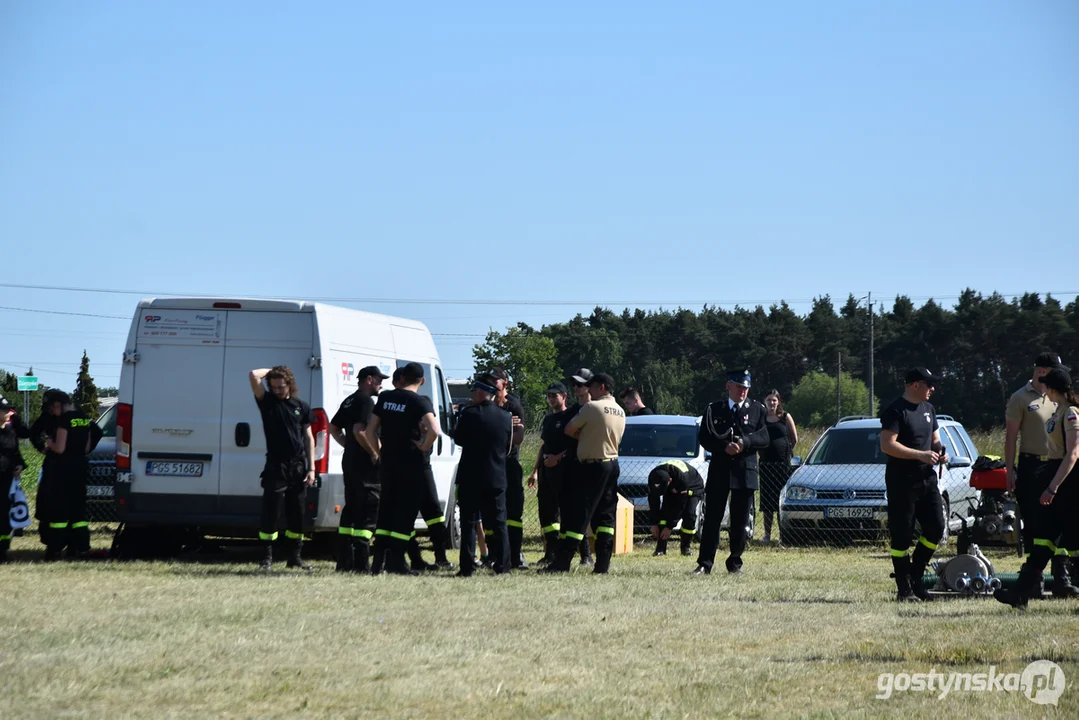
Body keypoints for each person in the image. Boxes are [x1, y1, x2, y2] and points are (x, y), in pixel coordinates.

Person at [996, 367, 1079, 608]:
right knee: (1043, 540)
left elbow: (1073, 454)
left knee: (1072, 543)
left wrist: (1052, 488)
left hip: (1069, 485)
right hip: (1057, 479)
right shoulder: (1059, 410)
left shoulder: (1071, 413)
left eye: (1047, 385)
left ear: (1054, 389)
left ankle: (1021, 593)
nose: (1044, 388)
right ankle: (1020, 594)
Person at [543, 372, 626, 574]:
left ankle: (562, 563)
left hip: (592, 466)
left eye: (593, 387)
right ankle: (602, 565)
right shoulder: (620, 411)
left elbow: (569, 429)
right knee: (605, 517)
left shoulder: (592, 407)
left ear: (603, 388)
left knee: (578, 514)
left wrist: (587, 435)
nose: (589, 390)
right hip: (612, 463)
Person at [363, 362, 440, 575]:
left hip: (388, 464)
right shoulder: (419, 401)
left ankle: (378, 563)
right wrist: (424, 445)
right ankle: (396, 563)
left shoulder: (386, 398)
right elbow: (434, 430)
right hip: (411, 465)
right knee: (404, 514)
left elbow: (370, 431)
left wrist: (378, 453)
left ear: (403, 378)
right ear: (422, 381)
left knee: (385, 512)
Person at [879, 367, 948, 602]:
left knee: (936, 527)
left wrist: (940, 452)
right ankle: (904, 589)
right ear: (914, 385)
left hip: (927, 478)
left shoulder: (929, 409)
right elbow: (887, 445)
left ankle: (915, 578)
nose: (933, 389)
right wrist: (920, 455)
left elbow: (935, 440)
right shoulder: (895, 410)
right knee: (902, 535)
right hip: (902, 480)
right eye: (929, 384)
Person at [694, 370, 769, 575]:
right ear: (729, 386)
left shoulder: (757, 410)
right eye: (739, 387)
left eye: (746, 388)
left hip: (745, 471)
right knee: (712, 519)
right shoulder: (714, 409)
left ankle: (735, 563)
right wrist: (722, 447)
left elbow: (764, 438)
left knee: (740, 521)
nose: (743, 391)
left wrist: (745, 443)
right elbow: (705, 437)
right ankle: (705, 563)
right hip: (720, 470)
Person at [249, 366, 316, 572]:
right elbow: (253, 374)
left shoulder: (301, 407)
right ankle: (267, 558)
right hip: (276, 465)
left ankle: (295, 557)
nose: (277, 390)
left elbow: (309, 437)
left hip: (298, 466)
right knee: (271, 511)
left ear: (289, 384)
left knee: (297, 512)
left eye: (281, 386)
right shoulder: (266, 402)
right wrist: (274, 371)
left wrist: (311, 468)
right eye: (274, 386)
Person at [329, 365, 387, 572]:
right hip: (365, 466)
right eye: (379, 380)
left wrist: (349, 446)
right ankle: (362, 565)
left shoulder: (349, 400)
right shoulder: (366, 401)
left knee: (351, 510)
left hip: (350, 462)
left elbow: (333, 428)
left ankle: (344, 562)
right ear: (369, 380)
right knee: (369, 509)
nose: (382, 384)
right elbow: (360, 431)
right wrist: (373, 453)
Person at [453, 375, 513, 575]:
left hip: (471, 476)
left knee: (468, 523)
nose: (472, 394)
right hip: (496, 476)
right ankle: (504, 566)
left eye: (474, 391)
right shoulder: (506, 416)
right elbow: (508, 446)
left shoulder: (469, 414)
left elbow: (459, 438)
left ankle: (467, 567)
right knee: (499, 523)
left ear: (481, 392)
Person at [45, 396, 104, 559]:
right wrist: (84, 449)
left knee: (60, 510)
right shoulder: (84, 418)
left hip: (64, 468)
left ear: (60, 405)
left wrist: (49, 442)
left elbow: (60, 448)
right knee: (79, 511)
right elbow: (94, 436)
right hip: (81, 466)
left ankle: (56, 548)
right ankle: (82, 547)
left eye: (54, 408)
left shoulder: (65, 420)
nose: (53, 412)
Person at [489, 367, 528, 569]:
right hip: (490, 464)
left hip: (509, 465)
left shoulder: (513, 407)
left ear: (505, 384)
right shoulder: (484, 405)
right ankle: (493, 554)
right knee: (490, 514)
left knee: (513, 513)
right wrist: (505, 426)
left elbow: (519, 438)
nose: (491, 384)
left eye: (495, 381)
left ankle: (516, 554)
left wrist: (500, 427)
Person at [528, 382, 570, 565]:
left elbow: (574, 446)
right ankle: (550, 553)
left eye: (555, 395)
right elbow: (543, 446)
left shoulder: (570, 417)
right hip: (546, 472)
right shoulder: (548, 420)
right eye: (549, 396)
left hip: (564, 471)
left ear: (564, 396)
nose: (551, 399)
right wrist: (535, 471)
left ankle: (584, 555)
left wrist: (558, 458)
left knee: (568, 513)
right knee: (547, 514)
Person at [32, 390, 71, 559]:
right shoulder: (46, 418)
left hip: (67, 465)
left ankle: (69, 544)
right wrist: (43, 447)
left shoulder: (71, 418)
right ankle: (51, 543)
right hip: (54, 464)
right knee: (47, 504)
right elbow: (34, 433)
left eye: (54, 406)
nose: (51, 409)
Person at [759, 390, 798, 544]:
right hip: (766, 465)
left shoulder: (785, 417)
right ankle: (767, 535)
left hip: (783, 466)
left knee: (781, 501)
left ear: (779, 402)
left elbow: (794, 438)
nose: (771, 403)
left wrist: (785, 451)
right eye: (769, 400)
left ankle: (783, 536)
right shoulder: (761, 418)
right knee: (767, 502)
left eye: (774, 400)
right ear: (765, 401)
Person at [648, 460, 705, 556]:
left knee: (689, 514)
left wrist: (670, 526)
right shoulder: (653, 476)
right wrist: (653, 523)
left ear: (669, 481)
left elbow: (680, 505)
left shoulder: (682, 478)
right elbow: (653, 500)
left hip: (692, 486)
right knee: (664, 514)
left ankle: (685, 548)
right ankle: (661, 549)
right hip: (673, 487)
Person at [1, 395, 28, 562]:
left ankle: (3, 549)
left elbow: (15, 452)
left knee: (4, 513)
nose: (7, 413)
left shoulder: (10, 431)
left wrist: (19, 465)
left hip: (6, 478)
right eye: (4, 410)